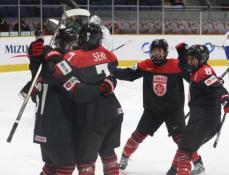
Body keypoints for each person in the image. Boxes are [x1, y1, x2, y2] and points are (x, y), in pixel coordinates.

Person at [113, 39, 203, 175]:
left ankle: (198, 163)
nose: (157, 54)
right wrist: (110, 70)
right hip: (152, 111)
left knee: (182, 141)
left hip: (173, 111)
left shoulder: (176, 65)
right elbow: (128, 74)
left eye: (160, 51)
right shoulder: (146, 65)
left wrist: (184, 57)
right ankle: (125, 157)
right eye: (154, 51)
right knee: (137, 136)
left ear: (165, 52)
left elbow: (191, 77)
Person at [52, 23, 123, 175]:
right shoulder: (108, 54)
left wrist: (51, 55)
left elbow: (58, 74)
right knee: (108, 154)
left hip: (92, 116)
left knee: (85, 162)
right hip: (113, 112)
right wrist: (105, 85)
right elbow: (112, 73)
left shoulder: (73, 57)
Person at [172, 43, 229, 175]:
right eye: (189, 58)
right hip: (200, 119)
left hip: (205, 121)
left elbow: (218, 89)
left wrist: (226, 99)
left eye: (192, 59)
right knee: (185, 149)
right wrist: (182, 53)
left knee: (184, 151)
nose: (189, 61)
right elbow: (185, 71)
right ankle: (196, 166)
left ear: (201, 59)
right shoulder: (196, 71)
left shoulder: (204, 72)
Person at [32, 28, 78, 175]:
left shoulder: (46, 60)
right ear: (60, 43)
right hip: (55, 127)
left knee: (50, 167)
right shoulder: (55, 61)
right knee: (66, 167)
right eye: (69, 43)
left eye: (74, 43)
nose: (73, 47)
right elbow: (60, 76)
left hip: (44, 125)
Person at [19, 29, 45, 99]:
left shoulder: (32, 44)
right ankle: (25, 91)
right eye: (42, 35)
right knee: (35, 80)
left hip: (33, 65)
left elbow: (28, 54)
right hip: (38, 66)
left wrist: (32, 60)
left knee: (35, 79)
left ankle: (33, 92)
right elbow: (43, 55)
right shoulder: (42, 45)